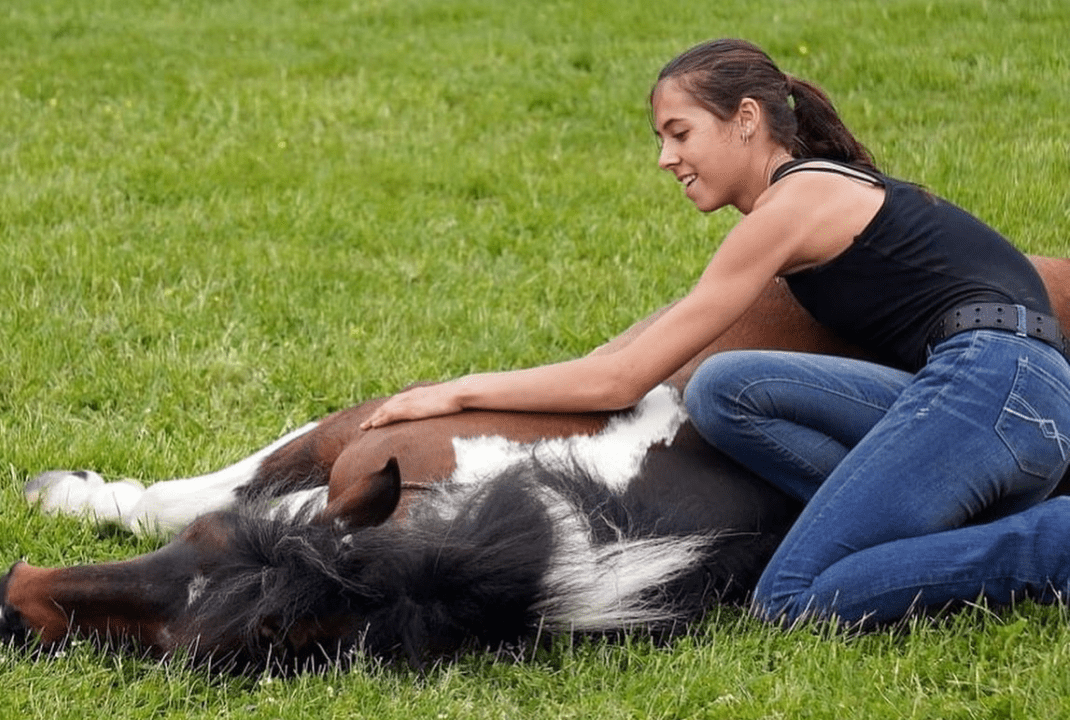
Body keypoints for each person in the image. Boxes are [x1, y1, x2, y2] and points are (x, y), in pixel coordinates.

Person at [362, 37, 1070, 627]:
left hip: (994, 387)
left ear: (747, 119)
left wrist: (458, 392)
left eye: (680, 132)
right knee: (727, 388)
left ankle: (1049, 545)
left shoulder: (796, 203)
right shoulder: (825, 194)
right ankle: (918, 522)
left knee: (789, 598)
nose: (666, 158)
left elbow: (622, 378)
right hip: (1012, 404)